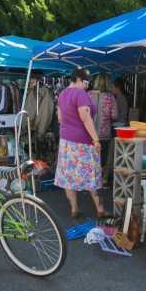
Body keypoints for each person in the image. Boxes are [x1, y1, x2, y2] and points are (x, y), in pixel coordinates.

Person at [54, 69, 108, 218]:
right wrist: (96, 139)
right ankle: (100, 210)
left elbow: (60, 118)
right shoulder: (80, 94)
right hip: (83, 142)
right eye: (85, 82)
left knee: (68, 176)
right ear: (77, 79)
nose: (87, 85)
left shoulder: (63, 94)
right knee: (93, 175)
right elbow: (86, 118)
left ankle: (74, 209)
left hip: (66, 142)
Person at [88, 73, 117, 184]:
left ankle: (89, 178)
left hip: (89, 133)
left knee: (90, 156)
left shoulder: (88, 94)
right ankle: (101, 179)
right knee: (103, 158)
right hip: (104, 133)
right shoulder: (110, 97)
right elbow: (114, 115)